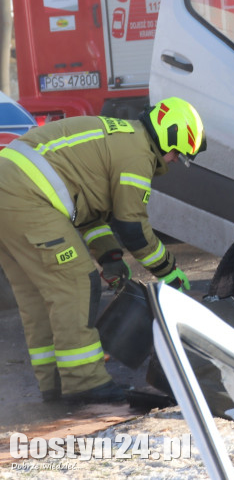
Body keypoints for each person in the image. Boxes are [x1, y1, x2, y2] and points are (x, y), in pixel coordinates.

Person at [0, 97, 204, 404]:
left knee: (39, 296)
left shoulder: (121, 137)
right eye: (178, 153)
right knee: (76, 281)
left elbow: (88, 213)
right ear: (168, 135)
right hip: (28, 196)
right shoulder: (138, 154)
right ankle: (84, 383)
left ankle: (54, 383)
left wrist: (109, 256)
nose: (175, 161)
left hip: (11, 191)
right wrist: (169, 270)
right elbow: (134, 230)